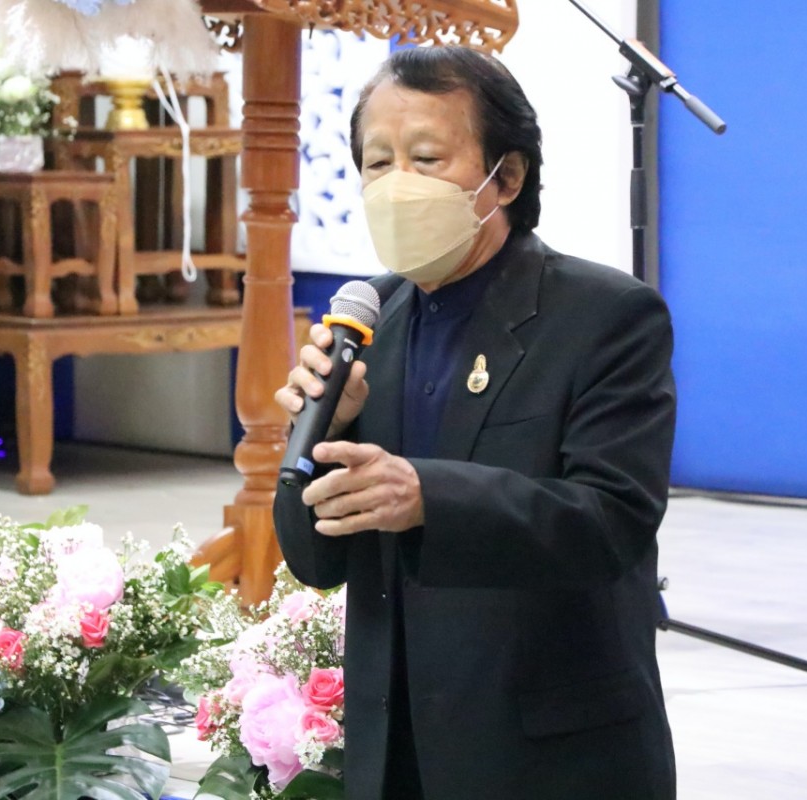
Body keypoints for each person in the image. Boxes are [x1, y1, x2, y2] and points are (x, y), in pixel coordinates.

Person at [273, 45, 677, 800]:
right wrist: (325, 437)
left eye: (427, 158)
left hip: (548, 757)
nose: (398, 184)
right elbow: (315, 562)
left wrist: (427, 497)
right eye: (377, 162)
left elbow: (612, 521)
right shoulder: (368, 322)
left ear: (508, 176)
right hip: (396, 755)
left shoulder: (606, 317)